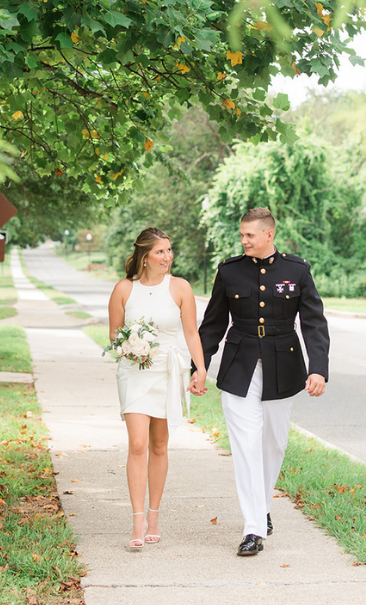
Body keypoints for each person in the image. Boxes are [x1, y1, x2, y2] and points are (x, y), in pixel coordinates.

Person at [195, 207, 330, 556]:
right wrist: (199, 366)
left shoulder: (296, 270)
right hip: (239, 365)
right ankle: (253, 527)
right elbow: (212, 324)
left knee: (273, 444)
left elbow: (314, 322)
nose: (244, 241)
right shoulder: (229, 270)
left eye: (249, 235)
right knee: (246, 446)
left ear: (268, 235)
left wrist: (318, 368)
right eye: (242, 235)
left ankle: (262, 505)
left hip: (282, 365)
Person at [107, 227, 208, 551]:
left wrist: (200, 369)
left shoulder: (179, 287)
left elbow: (192, 333)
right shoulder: (124, 289)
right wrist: (131, 348)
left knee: (159, 445)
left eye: (169, 250)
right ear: (145, 256)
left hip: (167, 370)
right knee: (137, 444)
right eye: (161, 252)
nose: (168, 257)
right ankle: (137, 518)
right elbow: (114, 336)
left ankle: (154, 516)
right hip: (134, 371)